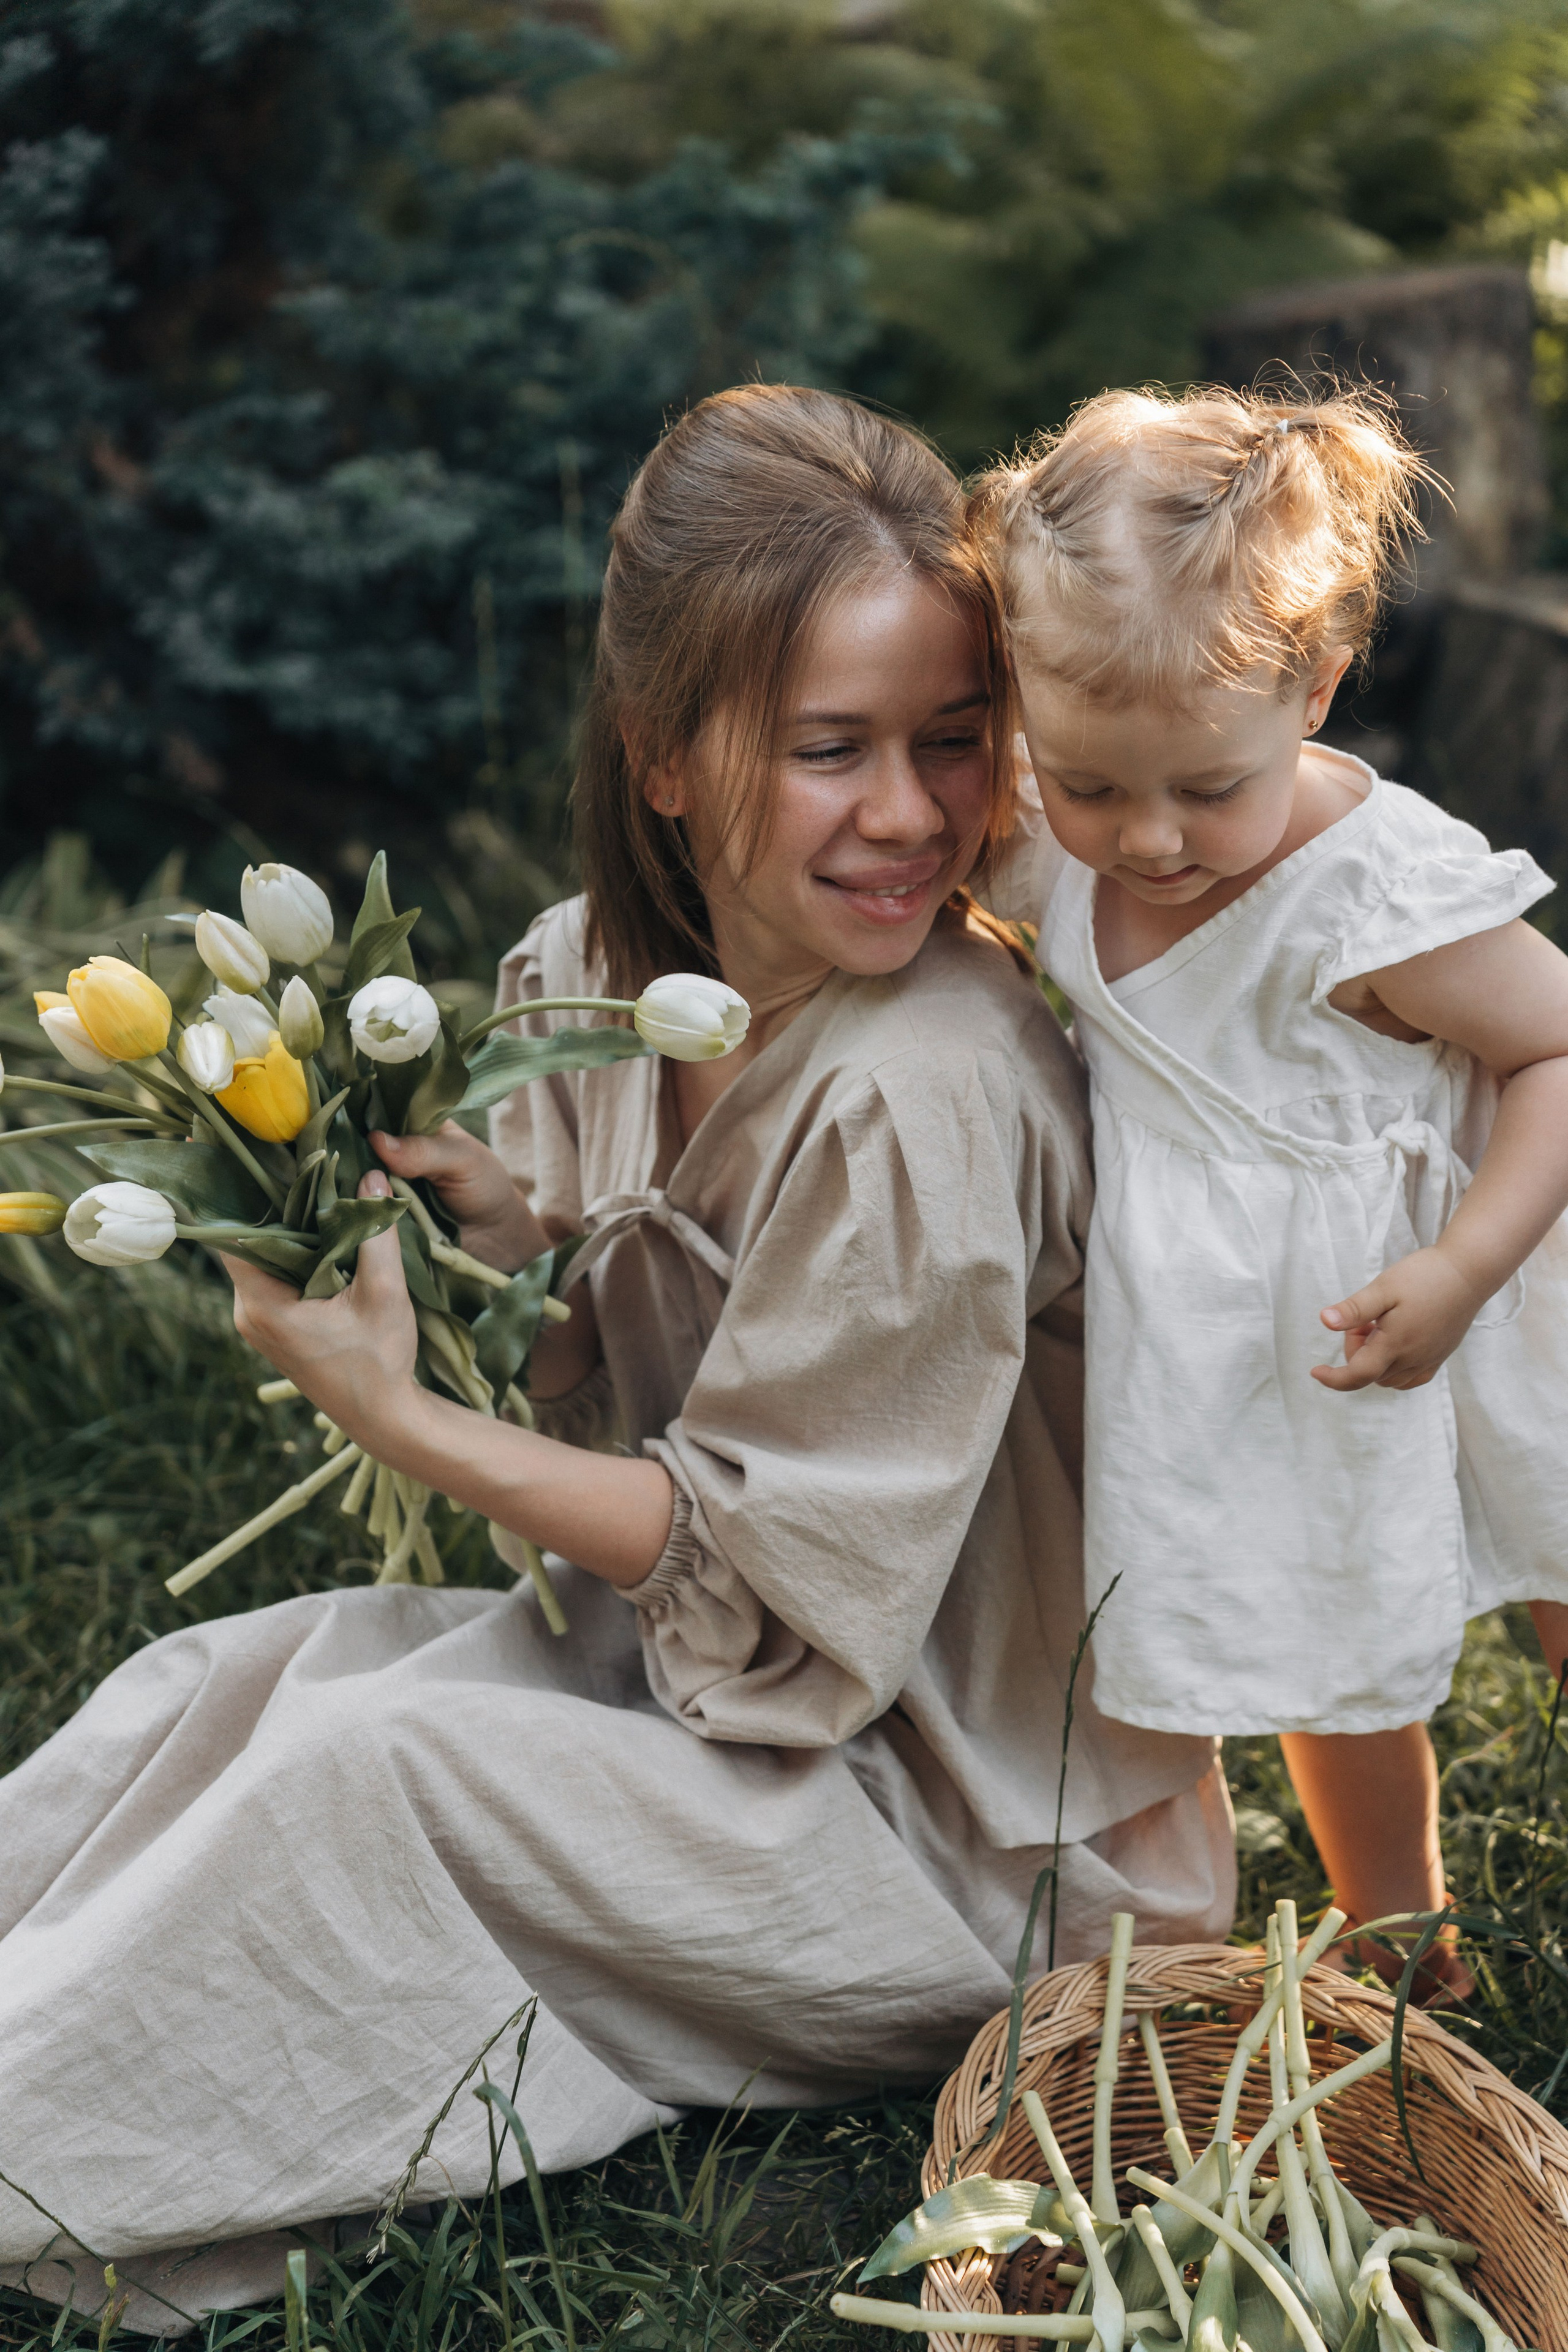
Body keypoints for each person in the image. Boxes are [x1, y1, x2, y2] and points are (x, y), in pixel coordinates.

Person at [0, 384, 1234, 2332]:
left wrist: (395, 1413)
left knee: (371, 1774)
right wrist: (521, 1250)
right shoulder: (594, 980)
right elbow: (631, 1367)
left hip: (961, 1835)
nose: (911, 812)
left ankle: (35, 2144)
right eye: (829, 749)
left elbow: (774, 1585)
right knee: (233, 1687)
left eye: (951, 736)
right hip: (700, 1706)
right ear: (662, 757)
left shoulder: (927, 1091)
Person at [971, 383, 1568, 1989]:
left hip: (1482, 1276)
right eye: (1093, 786)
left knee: (1563, 1553)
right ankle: (1402, 1931)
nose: (1149, 839)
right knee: (1327, 1624)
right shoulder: (1052, 825)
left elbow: (1557, 1052)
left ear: (1315, 687)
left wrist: (1466, 1267)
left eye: (1205, 790)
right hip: (1284, 1333)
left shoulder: (1367, 897)